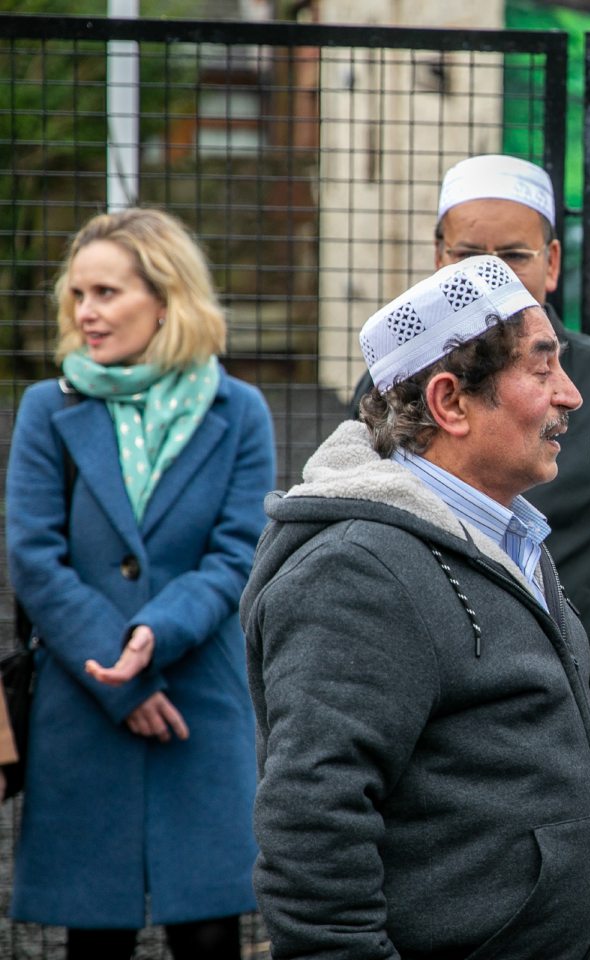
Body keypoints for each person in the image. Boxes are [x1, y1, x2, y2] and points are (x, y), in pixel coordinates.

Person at [243, 256, 590, 960]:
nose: (571, 395)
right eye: (541, 370)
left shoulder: (505, 533)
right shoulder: (358, 572)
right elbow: (312, 833)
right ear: (451, 403)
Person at [5, 208, 275, 959]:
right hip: (84, 699)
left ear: (167, 298)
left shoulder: (239, 411)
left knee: (212, 929)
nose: (86, 313)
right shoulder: (48, 409)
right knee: (95, 937)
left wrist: (155, 635)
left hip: (200, 698)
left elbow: (236, 553)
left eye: (107, 293)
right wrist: (118, 672)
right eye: (78, 295)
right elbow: (33, 556)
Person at [347, 155, 590, 790]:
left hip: (588, 702)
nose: (489, 273)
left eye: (515, 256)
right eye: (468, 251)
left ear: (552, 263)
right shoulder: (389, 385)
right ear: (444, 402)